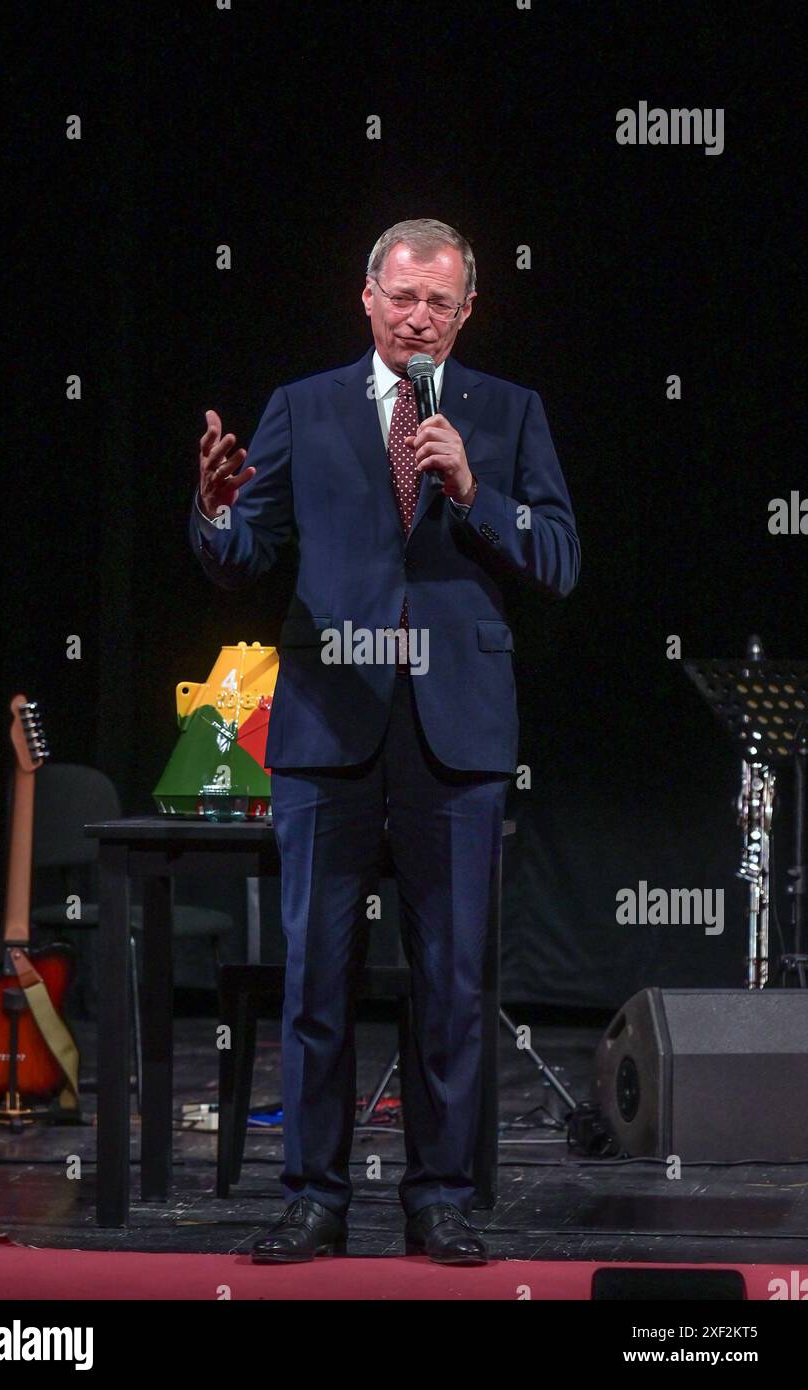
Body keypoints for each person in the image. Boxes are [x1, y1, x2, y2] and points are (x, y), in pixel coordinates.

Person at [189, 218, 580, 1264]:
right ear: (366, 297)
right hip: (327, 728)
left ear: (465, 313)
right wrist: (218, 513)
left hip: (454, 740)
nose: (416, 318)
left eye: (438, 304)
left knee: (450, 981)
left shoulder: (505, 413)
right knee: (316, 973)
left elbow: (559, 559)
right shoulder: (301, 408)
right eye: (401, 298)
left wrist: (472, 492)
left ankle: (439, 1199)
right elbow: (243, 549)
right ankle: (313, 1199)